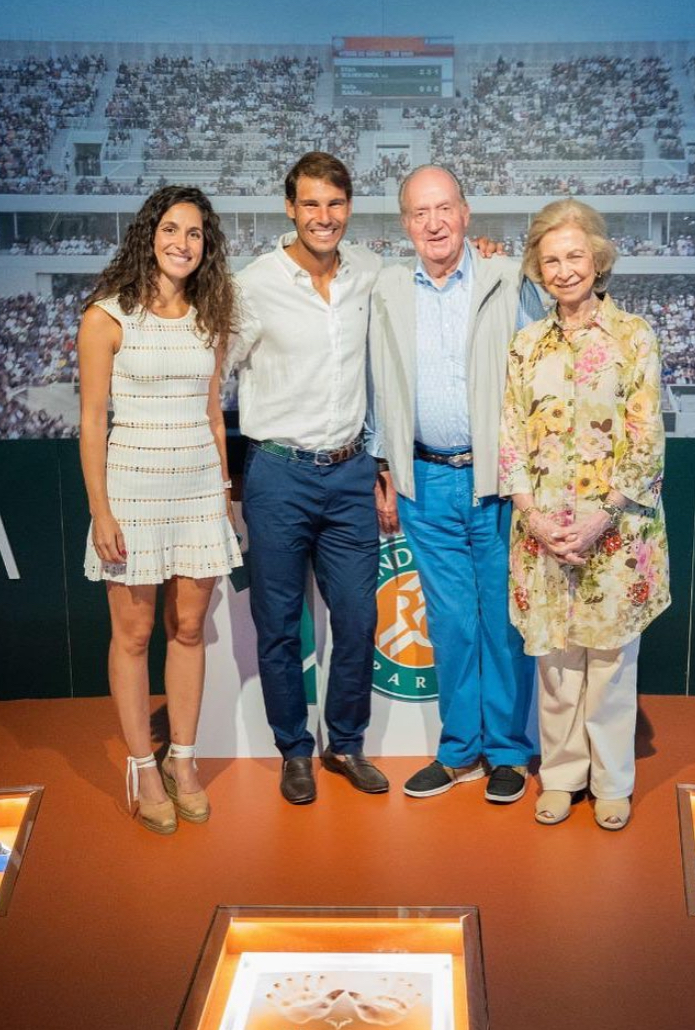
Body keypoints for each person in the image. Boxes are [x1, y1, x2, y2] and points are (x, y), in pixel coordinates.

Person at [368, 165, 543, 804]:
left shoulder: (509, 279)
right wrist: (381, 464)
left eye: (444, 209)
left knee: (501, 622)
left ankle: (506, 751)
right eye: (420, 213)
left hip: (498, 482)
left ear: (467, 215)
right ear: (405, 223)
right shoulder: (385, 288)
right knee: (450, 623)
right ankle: (458, 751)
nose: (434, 223)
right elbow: (371, 381)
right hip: (426, 482)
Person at [499, 198, 670, 831]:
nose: (565, 269)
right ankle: (563, 776)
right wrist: (533, 516)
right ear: (538, 270)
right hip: (542, 532)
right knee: (556, 666)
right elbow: (509, 434)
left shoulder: (633, 337)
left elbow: (646, 438)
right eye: (551, 259)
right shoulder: (524, 346)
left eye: (575, 256)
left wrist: (601, 517)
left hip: (617, 533)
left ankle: (612, 781)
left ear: (597, 260)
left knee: (610, 666)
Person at [79, 185, 242, 834]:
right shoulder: (106, 316)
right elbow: (93, 422)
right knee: (134, 635)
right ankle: (144, 766)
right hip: (133, 495)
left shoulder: (211, 315)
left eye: (195, 233)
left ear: (207, 245)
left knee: (190, 629)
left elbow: (212, 416)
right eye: (172, 229)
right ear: (150, 235)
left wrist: (225, 494)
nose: (183, 243)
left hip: (199, 492)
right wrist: (101, 511)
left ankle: (184, 760)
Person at [228, 152, 388, 804]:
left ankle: (343, 744)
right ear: (290, 208)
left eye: (336, 204)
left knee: (356, 619)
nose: (324, 217)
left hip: (350, 474)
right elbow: (213, 369)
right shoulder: (253, 283)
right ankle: (293, 749)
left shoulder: (373, 274)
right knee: (279, 626)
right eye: (311, 204)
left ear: (349, 208)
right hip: (277, 473)